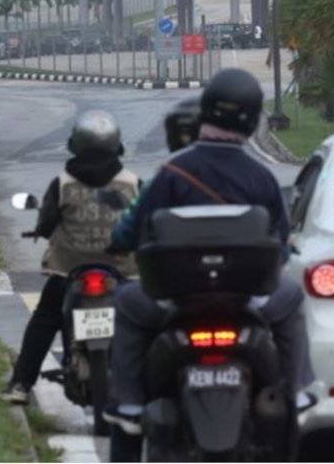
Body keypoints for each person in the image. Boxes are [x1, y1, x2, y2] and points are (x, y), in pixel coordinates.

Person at [104, 68, 315, 443]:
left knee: (126, 302)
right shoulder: (262, 178)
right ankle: (298, 390)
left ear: (206, 112)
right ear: (251, 120)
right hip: (247, 303)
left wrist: (120, 241)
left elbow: (128, 231)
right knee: (292, 296)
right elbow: (281, 243)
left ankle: (130, 404)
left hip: (175, 303)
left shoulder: (169, 174)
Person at [0, 110, 139, 405]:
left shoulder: (62, 184)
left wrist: (40, 229)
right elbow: (146, 222)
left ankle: (21, 384)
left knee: (45, 320)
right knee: (143, 321)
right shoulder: (131, 183)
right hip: (122, 271)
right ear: (117, 145)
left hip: (69, 270)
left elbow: (48, 222)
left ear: (75, 144)